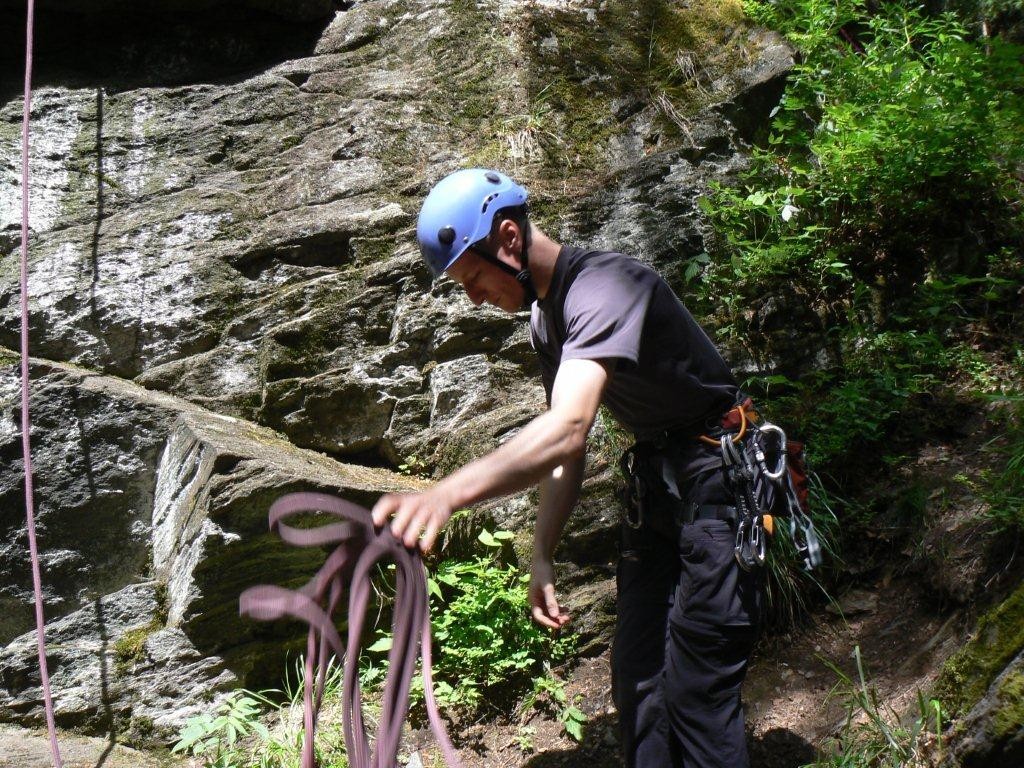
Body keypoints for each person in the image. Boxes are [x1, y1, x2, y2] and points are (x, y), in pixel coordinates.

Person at [371, 168, 763, 768]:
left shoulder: (607, 286)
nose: (474, 298)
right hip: (659, 487)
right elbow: (567, 449)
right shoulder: (544, 321)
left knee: (698, 691)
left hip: (718, 476)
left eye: (473, 279)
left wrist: (446, 494)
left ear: (508, 238)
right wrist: (543, 552)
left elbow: (569, 425)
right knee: (638, 677)